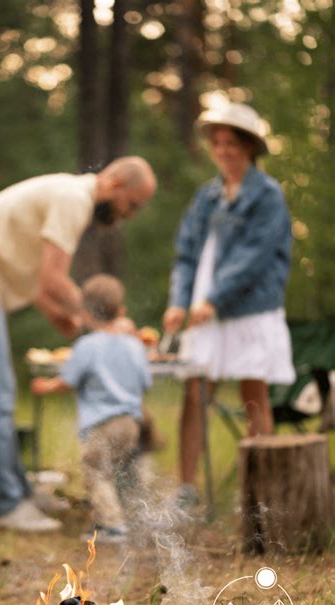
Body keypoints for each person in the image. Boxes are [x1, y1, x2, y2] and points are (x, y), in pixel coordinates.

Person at [0, 158, 157, 531]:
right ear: (115, 183)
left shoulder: (68, 195)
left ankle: (20, 492)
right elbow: (54, 279)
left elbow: (36, 276)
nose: (129, 215)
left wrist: (57, 315)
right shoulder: (73, 199)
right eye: (131, 204)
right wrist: (103, 322)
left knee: (1, 393)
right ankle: (8, 505)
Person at [162, 102, 295, 508]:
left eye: (232, 144)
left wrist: (214, 299)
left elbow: (253, 258)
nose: (223, 151)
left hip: (248, 309)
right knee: (194, 392)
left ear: (251, 147)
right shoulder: (207, 196)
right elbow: (186, 254)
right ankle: (186, 490)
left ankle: (260, 495)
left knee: (254, 394)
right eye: (217, 143)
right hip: (206, 309)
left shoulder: (268, 196)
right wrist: (179, 302)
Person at [31, 274, 152, 543]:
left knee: (96, 473)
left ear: (86, 314)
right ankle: (135, 518)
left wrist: (46, 386)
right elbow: (146, 381)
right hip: (131, 421)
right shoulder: (134, 345)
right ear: (120, 311)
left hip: (101, 423)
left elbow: (67, 381)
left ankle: (112, 525)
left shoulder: (87, 346)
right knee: (124, 471)